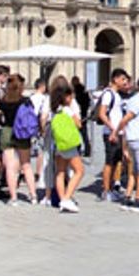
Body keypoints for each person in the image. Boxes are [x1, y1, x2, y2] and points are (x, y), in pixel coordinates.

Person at [0, 74, 38, 205]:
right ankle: (33, 195)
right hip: (23, 132)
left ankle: (13, 197)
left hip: (7, 131)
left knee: (10, 167)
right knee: (26, 165)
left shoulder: (3, 100)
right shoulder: (25, 100)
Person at [115, 76, 139, 212]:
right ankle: (138, 199)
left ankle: (127, 198)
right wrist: (116, 132)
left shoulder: (131, 99)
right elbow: (127, 118)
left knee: (134, 170)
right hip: (138, 138)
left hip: (131, 138)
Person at [48, 77, 84, 213]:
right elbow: (78, 124)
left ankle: (62, 198)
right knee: (79, 171)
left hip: (59, 144)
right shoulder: (67, 110)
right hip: (69, 144)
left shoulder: (55, 109)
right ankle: (67, 198)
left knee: (60, 172)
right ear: (66, 97)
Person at [95, 69, 130, 203]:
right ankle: (105, 191)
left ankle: (110, 188)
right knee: (109, 162)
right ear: (115, 79)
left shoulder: (117, 94)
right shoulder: (108, 94)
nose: (125, 82)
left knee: (116, 161)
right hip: (111, 133)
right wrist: (113, 129)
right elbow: (102, 113)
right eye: (123, 79)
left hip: (118, 133)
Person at [71, 75, 91, 157]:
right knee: (84, 133)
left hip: (77, 114)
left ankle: (78, 148)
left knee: (76, 133)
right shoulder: (84, 90)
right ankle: (87, 149)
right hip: (83, 113)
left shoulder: (75, 91)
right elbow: (88, 101)